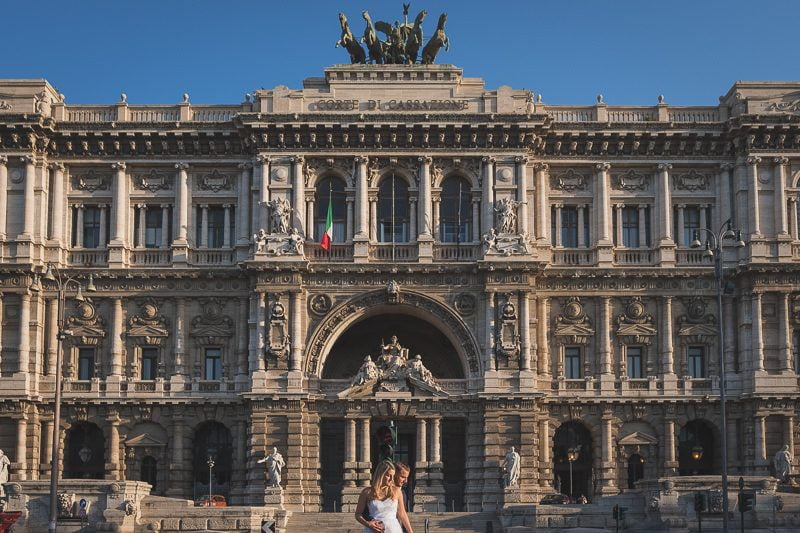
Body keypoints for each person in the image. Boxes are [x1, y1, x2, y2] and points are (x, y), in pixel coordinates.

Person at [355, 460, 413, 533]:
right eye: (388, 475)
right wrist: (368, 524)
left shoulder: (397, 491)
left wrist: (410, 531)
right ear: (381, 474)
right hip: (373, 530)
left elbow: (402, 514)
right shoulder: (366, 492)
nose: (392, 479)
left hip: (393, 530)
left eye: (393, 476)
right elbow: (358, 514)